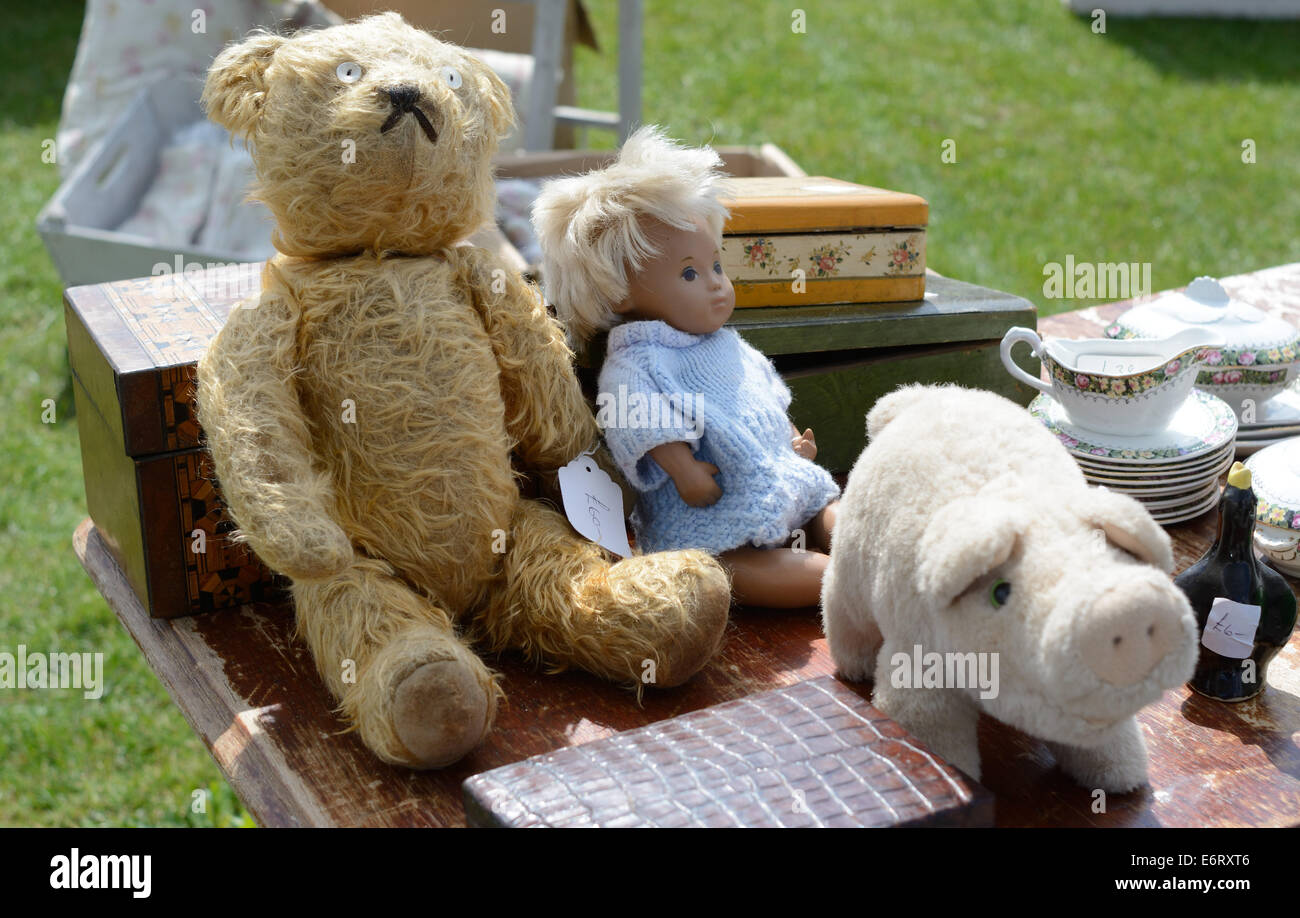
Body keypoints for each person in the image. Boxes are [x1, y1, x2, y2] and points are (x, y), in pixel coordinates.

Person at [533, 126, 840, 608]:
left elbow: (760, 393)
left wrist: (790, 441)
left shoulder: (726, 344)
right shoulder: (636, 360)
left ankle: (860, 549)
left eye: (716, 266)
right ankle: (841, 584)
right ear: (621, 291)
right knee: (730, 568)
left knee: (828, 509)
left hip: (778, 475)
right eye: (690, 274)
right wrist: (683, 469)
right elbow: (641, 423)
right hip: (712, 509)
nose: (717, 284)